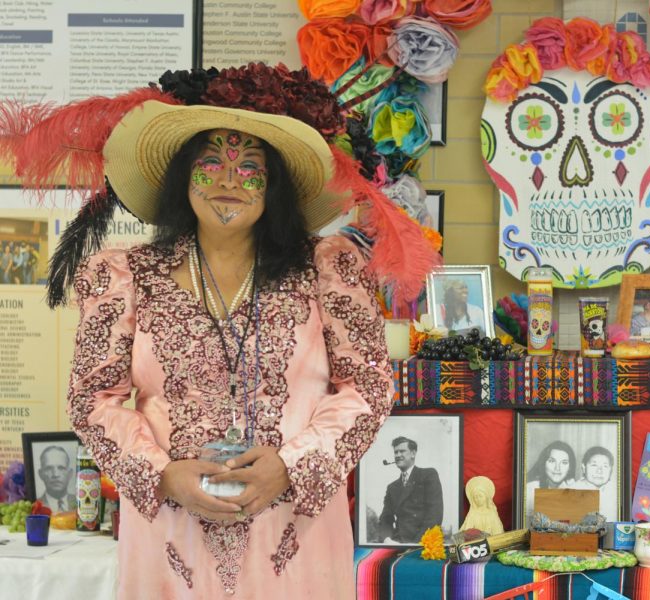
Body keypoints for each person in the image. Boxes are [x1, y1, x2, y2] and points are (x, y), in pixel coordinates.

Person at [5, 63, 438, 599]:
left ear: (273, 183)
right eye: (210, 164)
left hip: (294, 533)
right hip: (169, 531)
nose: (229, 181)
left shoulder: (329, 269)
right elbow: (93, 399)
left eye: (250, 166)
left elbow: (367, 388)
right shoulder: (124, 276)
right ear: (183, 177)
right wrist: (163, 474)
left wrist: (291, 466)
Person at [378, 436, 443, 543]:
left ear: (413, 453)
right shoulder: (392, 487)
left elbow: (434, 516)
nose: (398, 455)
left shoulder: (428, 475)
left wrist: (413, 546)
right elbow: (385, 518)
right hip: (397, 543)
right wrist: (387, 539)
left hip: (423, 544)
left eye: (402, 451)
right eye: (396, 452)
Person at [524, 440, 577, 518]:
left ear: (570, 467)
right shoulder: (530, 489)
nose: (557, 468)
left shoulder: (575, 488)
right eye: (552, 461)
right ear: (543, 463)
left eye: (564, 462)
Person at [563, 446, 617, 522]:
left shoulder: (616, 492)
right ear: (584, 467)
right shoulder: (572, 490)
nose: (599, 471)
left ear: (610, 470)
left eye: (605, 466)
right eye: (594, 465)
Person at [36, 445, 76, 512]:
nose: (55, 474)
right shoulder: (35, 506)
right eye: (48, 468)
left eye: (61, 468)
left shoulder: (81, 503)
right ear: (41, 474)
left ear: (70, 474)